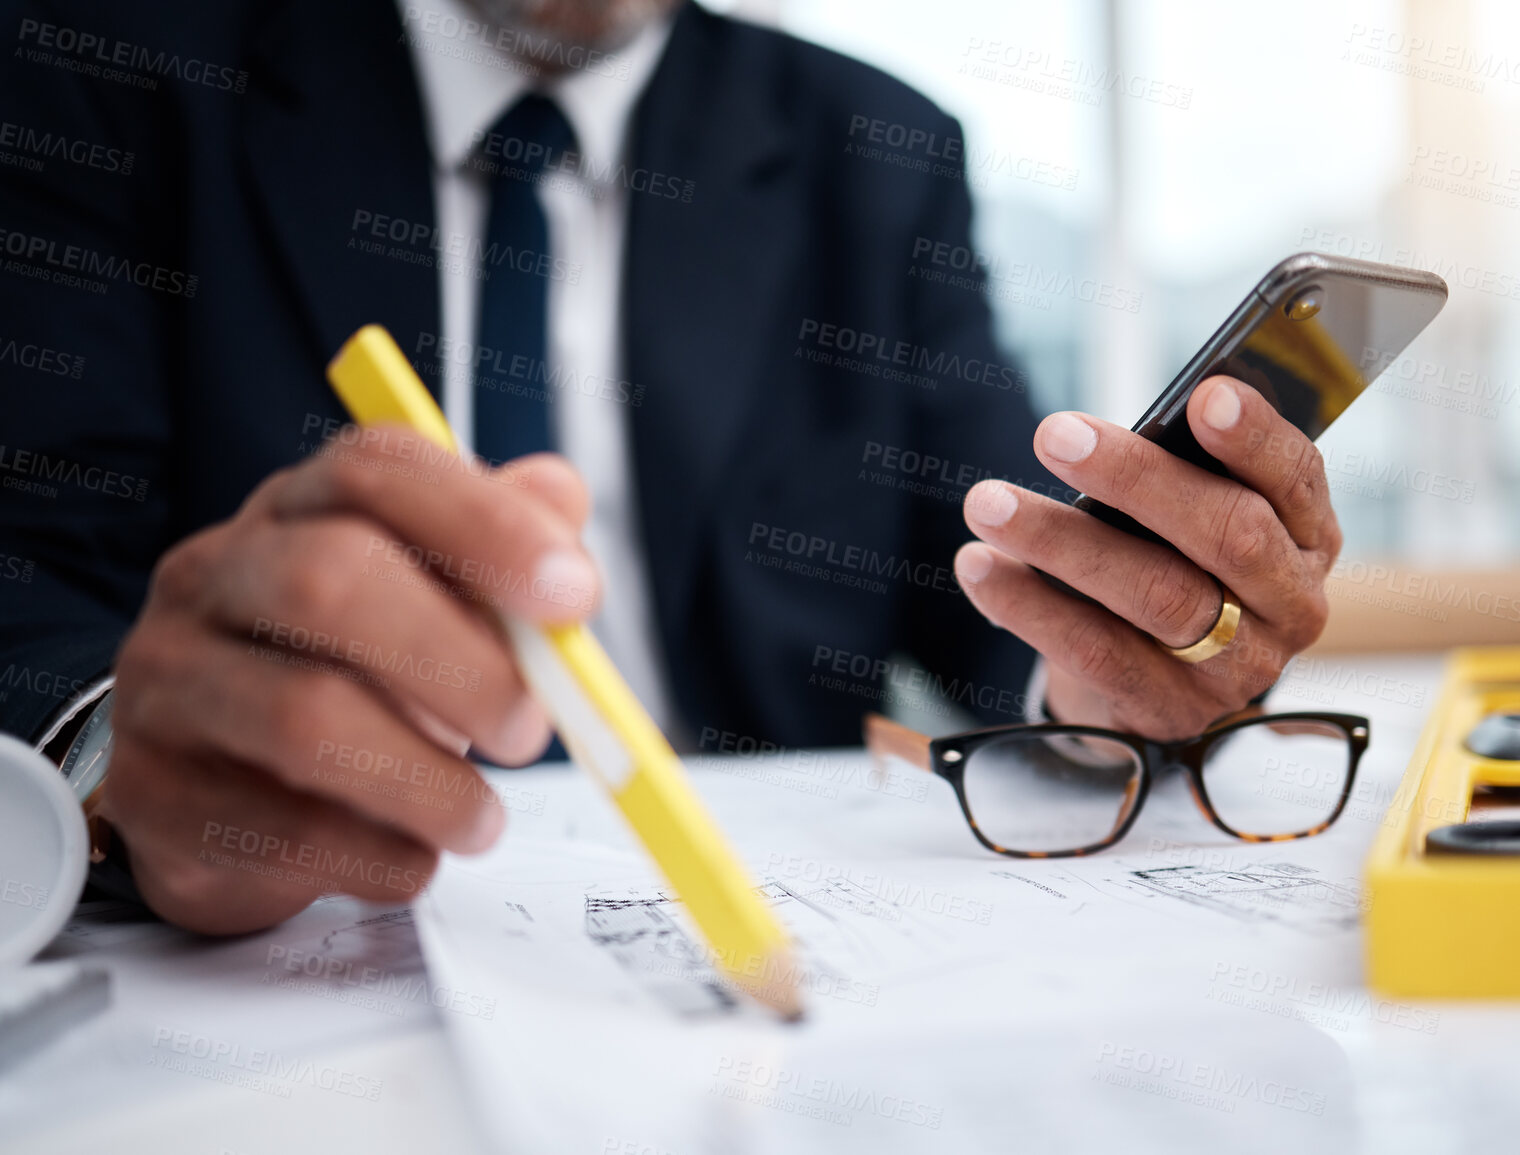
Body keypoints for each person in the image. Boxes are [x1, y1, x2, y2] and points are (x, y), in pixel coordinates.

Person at [0, 0, 1339, 934]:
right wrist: (116, 771)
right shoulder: (99, 69)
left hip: (775, 944)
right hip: (284, 963)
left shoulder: (875, 154)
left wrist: (1141, 643)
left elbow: (1003, 590)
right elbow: (32, 572)